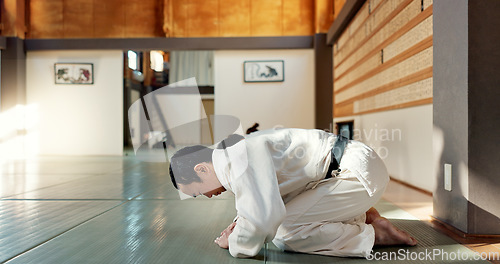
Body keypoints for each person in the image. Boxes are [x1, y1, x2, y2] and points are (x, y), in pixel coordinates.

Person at [169, 128, 417, 259]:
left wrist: (233, 242)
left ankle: (372, 236)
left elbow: (264, 219)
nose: (207, 196)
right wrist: (237, 224)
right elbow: (264, 197)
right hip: (349, 170)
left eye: (198, 192)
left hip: (355, 176)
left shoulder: (235, 160)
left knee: (286, 233)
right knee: (286, 221)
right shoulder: (233, 154)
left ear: (200, 169)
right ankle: (361, 214)